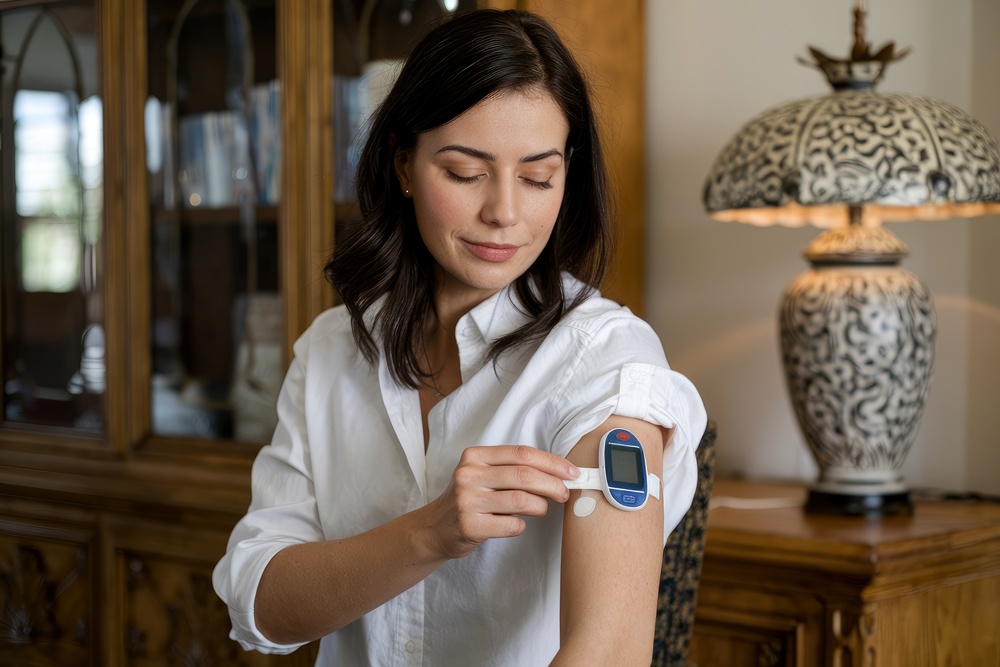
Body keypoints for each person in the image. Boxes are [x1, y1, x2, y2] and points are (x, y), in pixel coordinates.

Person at [213, 9, 706, 666]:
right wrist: (427, 534)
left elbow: (610, 650)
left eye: (538, 176)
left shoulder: (606, 362)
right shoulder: (332, 350)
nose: (504, 211)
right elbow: (260, 604)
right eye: (466, 171)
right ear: (405, 165)